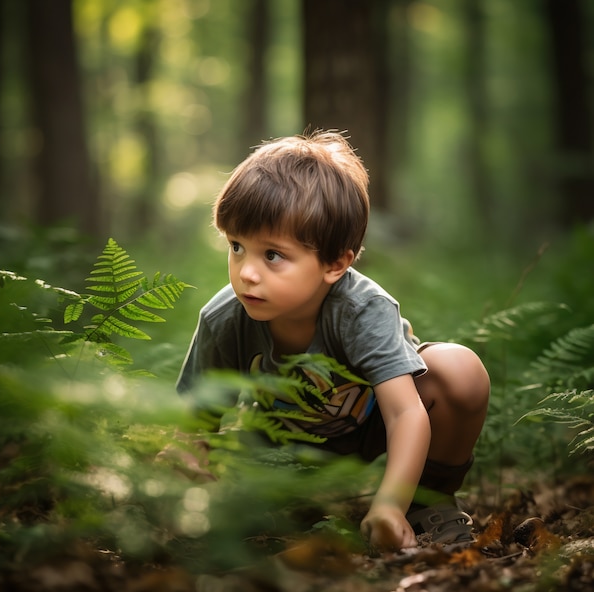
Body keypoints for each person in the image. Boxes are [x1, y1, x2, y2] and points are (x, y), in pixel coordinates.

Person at [176, 130, 490, 551]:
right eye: (236, 247)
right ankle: (293, 508)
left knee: (460, 371)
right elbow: (195, 420)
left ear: (336, 263)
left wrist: (389, 506)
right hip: (278, 449)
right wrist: (187, 460)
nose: (246, 272)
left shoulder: (362, 311)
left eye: (272, 255)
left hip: (370, 426)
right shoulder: (225, 317)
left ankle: (425, 502)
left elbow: (405, 414)